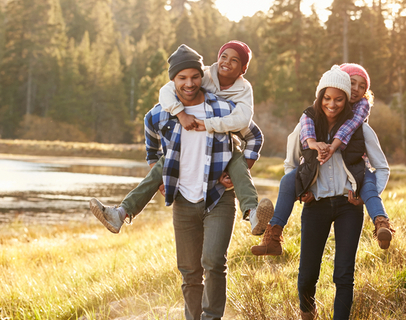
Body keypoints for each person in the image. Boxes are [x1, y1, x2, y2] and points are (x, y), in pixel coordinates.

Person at [140, 44, 264, 320]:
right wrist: (158, 175)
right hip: (183, 199)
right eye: (182, 78)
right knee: (189, 272)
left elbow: (254, 135)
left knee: (213, 262)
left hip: (218, 197)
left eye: (194, 77)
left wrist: (238, 172)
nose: (189, 83)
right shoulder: (161, 112)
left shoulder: (223, 108)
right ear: (173, 80)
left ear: (201, 77)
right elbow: (151, 146)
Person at [89, 41, 273, 236]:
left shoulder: (243, 91)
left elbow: (247, 123)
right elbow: (167, 91)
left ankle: (253, 214)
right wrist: (180, 114)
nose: (226, 62)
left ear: (243, 69)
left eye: (234, 60)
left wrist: (239, 169)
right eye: (224, 56)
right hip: (185, 147)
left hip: (225, 145)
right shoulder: (204, 76)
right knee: (163, 165)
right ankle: (120, 213)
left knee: (237, 163)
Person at [281, 65, 390, 320]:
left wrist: (365, 196)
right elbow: (290, 164)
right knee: (307, 272)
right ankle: (307, 319)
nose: (333, 103)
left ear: (346, 100)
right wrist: (301, 189)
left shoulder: (361, 129)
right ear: (322, 96)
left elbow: (382, 168)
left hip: (347, 207)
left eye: (340, 98)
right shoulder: (306, 125)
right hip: (315, 205)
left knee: (344, 272)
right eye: (328, 98)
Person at [251, 63, 395, 256]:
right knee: (287, 181)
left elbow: (351, 130)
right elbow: (293, 157)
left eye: (362, 86)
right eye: (352, 83)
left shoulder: (359, 117)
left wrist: (333, 147)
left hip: (355, 175)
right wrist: (303, 187)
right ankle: (273, 234)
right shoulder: (310, 117)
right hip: (317, 191)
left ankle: (381, 223)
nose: (356, 90)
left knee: (368, 185)